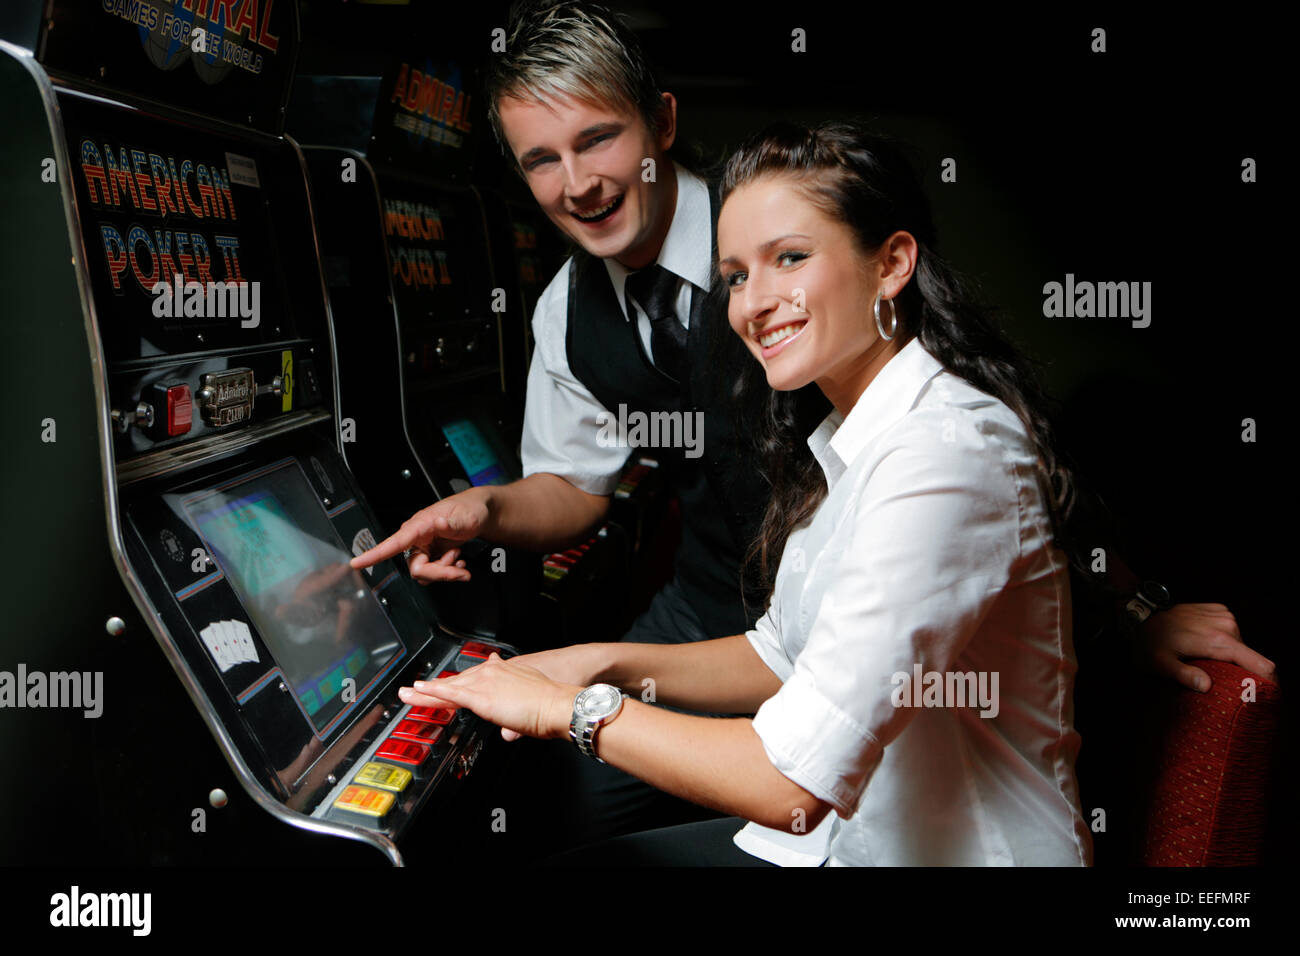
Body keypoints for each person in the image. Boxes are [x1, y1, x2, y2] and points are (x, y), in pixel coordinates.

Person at [352, 0, 1273, 854]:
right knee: (543, 802)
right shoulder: (590, 318)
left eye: (600, 140)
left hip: (884, 709)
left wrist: (1126, 617)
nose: (580, 182)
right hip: (731, 612)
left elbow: (986, 496)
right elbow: (578, 489)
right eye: (541, 161)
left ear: (661, 127)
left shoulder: (900, 392)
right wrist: (489, 520)